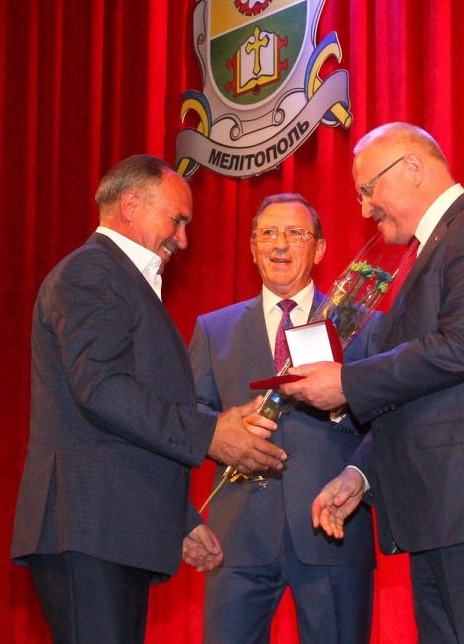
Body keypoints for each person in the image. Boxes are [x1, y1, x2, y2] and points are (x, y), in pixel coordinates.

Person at [281, 122, 464, 644]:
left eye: (367, 189)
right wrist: (359, 474)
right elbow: (420, 393)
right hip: (444, 512)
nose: (365, 208)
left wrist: (346, 382)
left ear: (412, 167)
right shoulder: (438, 246)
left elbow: (463, 347)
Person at [11, 155, 287, 644]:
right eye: (177, 220)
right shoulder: (92, 273)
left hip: (108, 529)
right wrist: (211, 434)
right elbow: (102, 390)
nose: (183, 239)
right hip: (86, 526)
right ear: (131, 204)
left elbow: (133, 411)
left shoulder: (118, 278)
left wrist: (180, 517)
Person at [189, 193, 381, 644]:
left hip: (332, 528)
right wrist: (224, 431)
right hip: (238, 537)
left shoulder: (364, 325)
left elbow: (390, 422)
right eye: (268, 234)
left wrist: (355, 459)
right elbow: (186, 418)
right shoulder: (213, 329)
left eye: (295, 234)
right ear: (252, 248)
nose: (280, 245)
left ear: (319, 249)